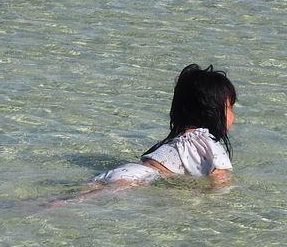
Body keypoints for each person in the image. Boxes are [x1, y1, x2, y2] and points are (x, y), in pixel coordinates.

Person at [93, 63, 237, 188]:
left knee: (86, 197)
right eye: (230, 107)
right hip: (136, 179)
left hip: (124, 171)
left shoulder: (176, 141)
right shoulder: (206, 142)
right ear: (213, 112)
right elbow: (220, 181)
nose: (233, 114)